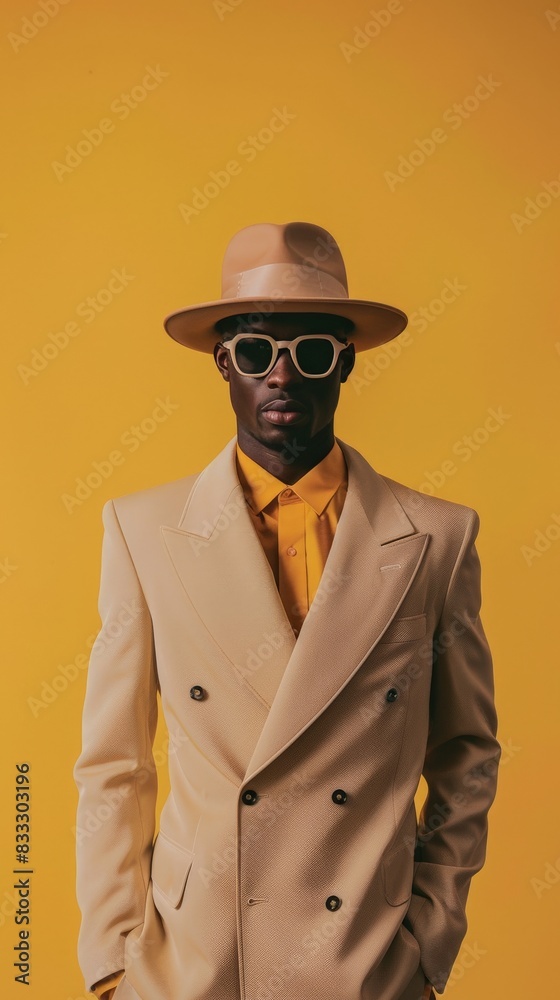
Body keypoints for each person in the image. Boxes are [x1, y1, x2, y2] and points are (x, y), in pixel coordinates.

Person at [73, 221, 500, 1000]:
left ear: (347, 362)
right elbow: (114, 763)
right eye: (255, 351)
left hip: (365, 961)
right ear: (222, 362)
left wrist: (428, 939)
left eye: (311, 353)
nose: (282, 375)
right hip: (192, 963)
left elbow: (466, 755)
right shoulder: (141, 531)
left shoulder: (437, 537)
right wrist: (112, 957)